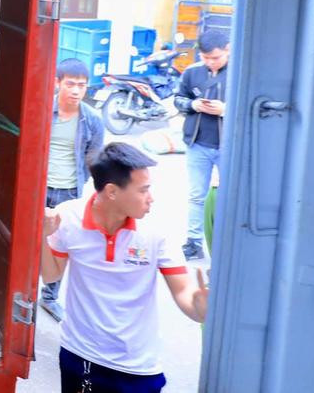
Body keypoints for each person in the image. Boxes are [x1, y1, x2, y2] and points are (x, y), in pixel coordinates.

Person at [42, 143, 208, 393]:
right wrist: (42, 237)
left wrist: (199, 307)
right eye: (143, 190)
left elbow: (184, 292)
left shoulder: (157, 229)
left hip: (137, 367)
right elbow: (51, 274)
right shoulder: (69, 217)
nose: (151, 198)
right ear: (111, 191)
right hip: (81, 357)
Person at [40, 58, 105, 322]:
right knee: (29, 241)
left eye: (82, 85)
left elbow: (95, 158)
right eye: (70, 84)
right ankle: (22, 293)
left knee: (60, 246)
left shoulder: (92, 119)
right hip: (40, 188)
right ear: (57, 83)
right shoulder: (44, 110)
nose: (76, 90)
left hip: (70, 192)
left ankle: (49, 297)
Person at [173, 29, 229, 261]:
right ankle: (194, 242)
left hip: (229, 147)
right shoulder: (192, 72)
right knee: (197, 195)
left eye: (215, 58)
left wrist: (226, 110)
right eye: (206, 58)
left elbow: (251, 108)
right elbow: (178, 99)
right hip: (198, 144)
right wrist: (193, 105)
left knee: (227, 196)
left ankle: (224, 241)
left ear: (228, 50)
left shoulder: (241, 74)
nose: (210, 63)